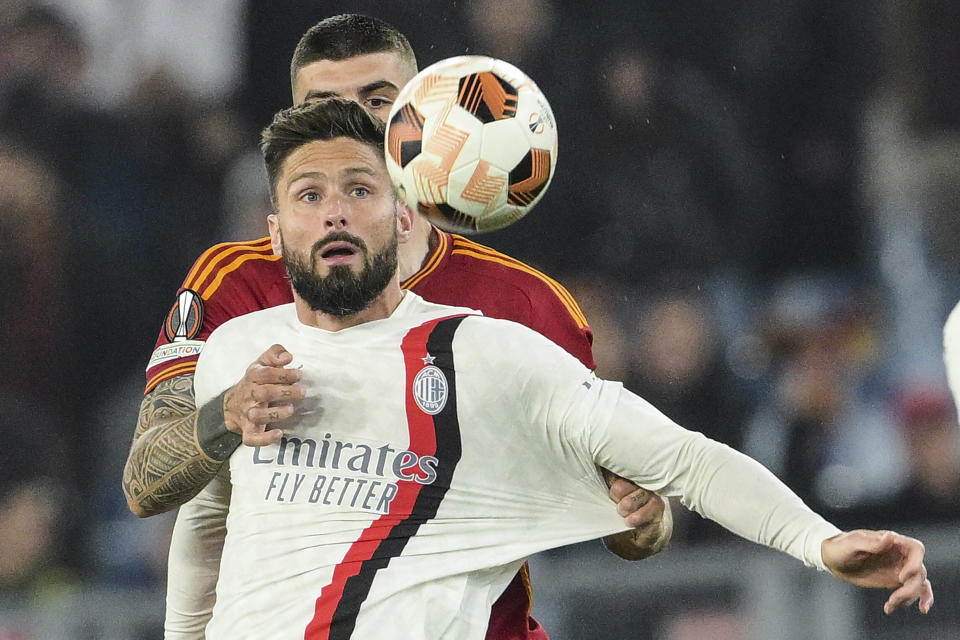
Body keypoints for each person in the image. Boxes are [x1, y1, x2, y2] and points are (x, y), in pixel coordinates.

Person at [190, 97, 932, 639]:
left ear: (407, 217)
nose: (335, 215)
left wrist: (818, 541)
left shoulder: (480, 354)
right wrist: (218, 421)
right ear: (274, 229)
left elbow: (686, 461)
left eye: (359, 190)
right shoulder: (233, 350)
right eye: (308, 196)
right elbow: (184, 519)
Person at [121, 14, 670, 640]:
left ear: (424, 123)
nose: (353, 125)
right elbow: (145, 480)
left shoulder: (524, 303)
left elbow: (631, 521)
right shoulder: (233, 283)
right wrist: (226, 413)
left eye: (378, 102)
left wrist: (646, 519)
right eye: (325, 106)